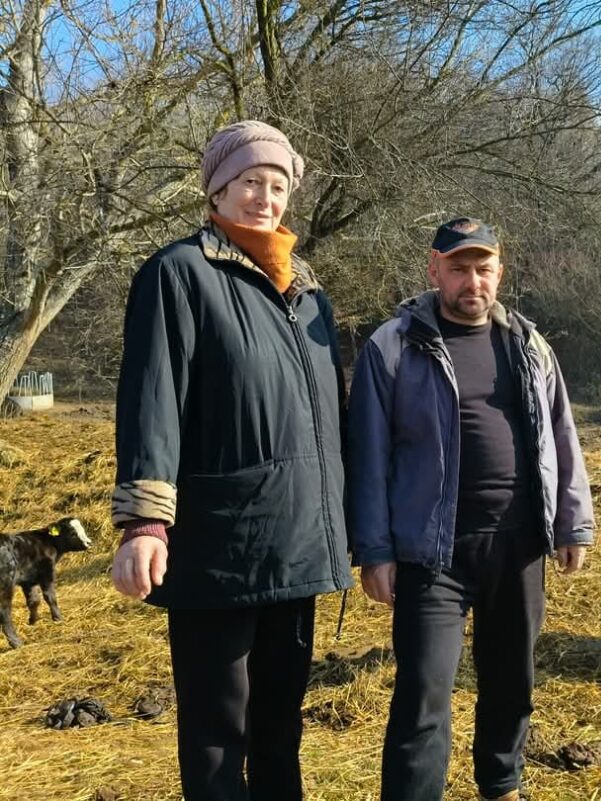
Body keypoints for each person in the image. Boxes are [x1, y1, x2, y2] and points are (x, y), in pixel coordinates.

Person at [109, 120, 353, 801]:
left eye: (276, 185)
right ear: (217, 190)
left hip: (300, 544)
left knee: (281, 728)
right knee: (218, 733)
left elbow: (328, 420)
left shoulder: (309, 294)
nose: (264, 197)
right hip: (218, 545)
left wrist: (351, 527)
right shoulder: (179, 273)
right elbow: (152, 398)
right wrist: (145, 523)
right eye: (249, 182)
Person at [348, 217, 595, 801]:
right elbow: (367, 455)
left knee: (512, 680)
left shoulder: (529, 344)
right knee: (425, 690)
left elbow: (563, 433)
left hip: (517, 543)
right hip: (432, 551)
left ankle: (501, 785)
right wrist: (375, 549)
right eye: (458, 268)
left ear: (500, 273)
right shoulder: (394, 345)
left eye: (483, 269)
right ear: (433, 270)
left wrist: (572, 520)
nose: (472, 281)